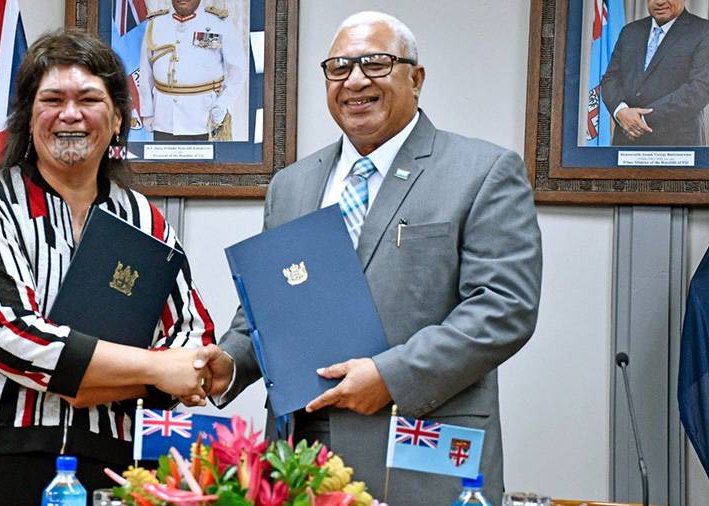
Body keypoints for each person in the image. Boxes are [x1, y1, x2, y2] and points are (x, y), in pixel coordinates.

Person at [195, 11, 542, 502]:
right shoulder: (292, 185)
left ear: (416, 78)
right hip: (299, 458)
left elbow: (504, 307)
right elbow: (272, 307)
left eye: (376, 63)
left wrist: (390, 376)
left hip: (418, 448)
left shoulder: (483, 171)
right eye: (338, 68)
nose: (355, 80)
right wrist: (229, 362)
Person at [0, 30, 216, 505]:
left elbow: (190, 335)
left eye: (89, 99)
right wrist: (152, 369)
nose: (70, 114)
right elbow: (12, 337)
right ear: (29, 119)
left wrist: (94, 379)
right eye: (52, 99)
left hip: (106, 462)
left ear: (116, 120)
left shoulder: (144, 220)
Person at [601, 0, 709, 146]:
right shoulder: (630, 31)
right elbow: (610, 79)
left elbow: (700, 90)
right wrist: (620, 111)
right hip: (626, 143)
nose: (660, 2)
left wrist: (641, 120)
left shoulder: (706, 31)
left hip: (677, 148)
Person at [138, 0, 246, 141]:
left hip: (205, 119)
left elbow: (237, 72)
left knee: (202, 164)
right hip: (164, 119)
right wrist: (147, 112)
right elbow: (145, 72)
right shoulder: (156, 24)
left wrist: (222, 105)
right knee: (164, 163)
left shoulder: (220, 23)